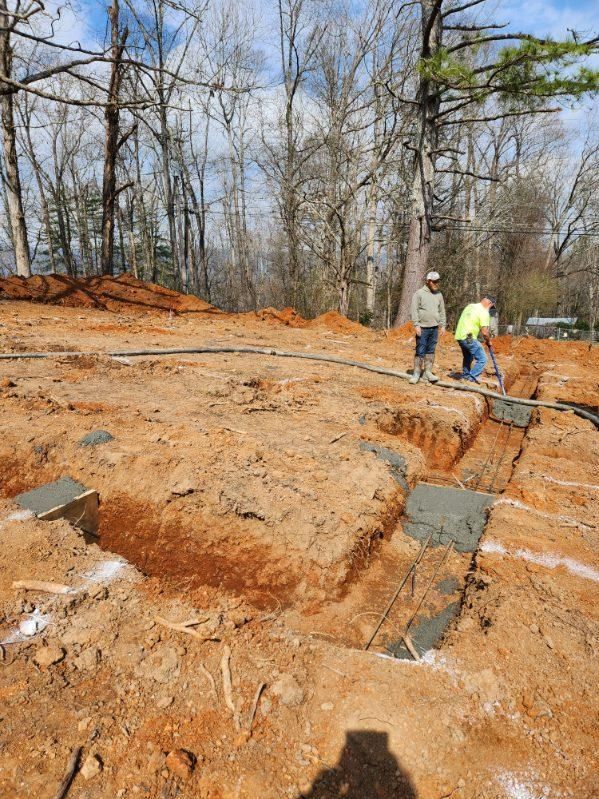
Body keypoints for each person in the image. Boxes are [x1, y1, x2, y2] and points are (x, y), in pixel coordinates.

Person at [409, 270, 446, 384]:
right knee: (420, 350)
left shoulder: (439, 295)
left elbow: (442, 311)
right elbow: (414, 310)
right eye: (434, 282)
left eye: (437, 281)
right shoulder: (419, 293)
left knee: (431, 350)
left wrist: (443, 325)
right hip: (423, 328)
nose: (436, 284)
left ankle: (427, 372)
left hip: (434, 328)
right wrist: (416, 325)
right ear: (428, 281)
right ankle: (416, 373)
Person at [454, 295, 496, 382]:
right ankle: (471, 378)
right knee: (482, 359)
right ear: (489, 303)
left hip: (459, 335)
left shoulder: (470, 306)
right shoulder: (484, 312)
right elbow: (484, 332)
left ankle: (465, 376)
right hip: (468, 336)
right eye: (491, 307)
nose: (490, 309)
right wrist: (489, 341)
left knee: (468, 357)